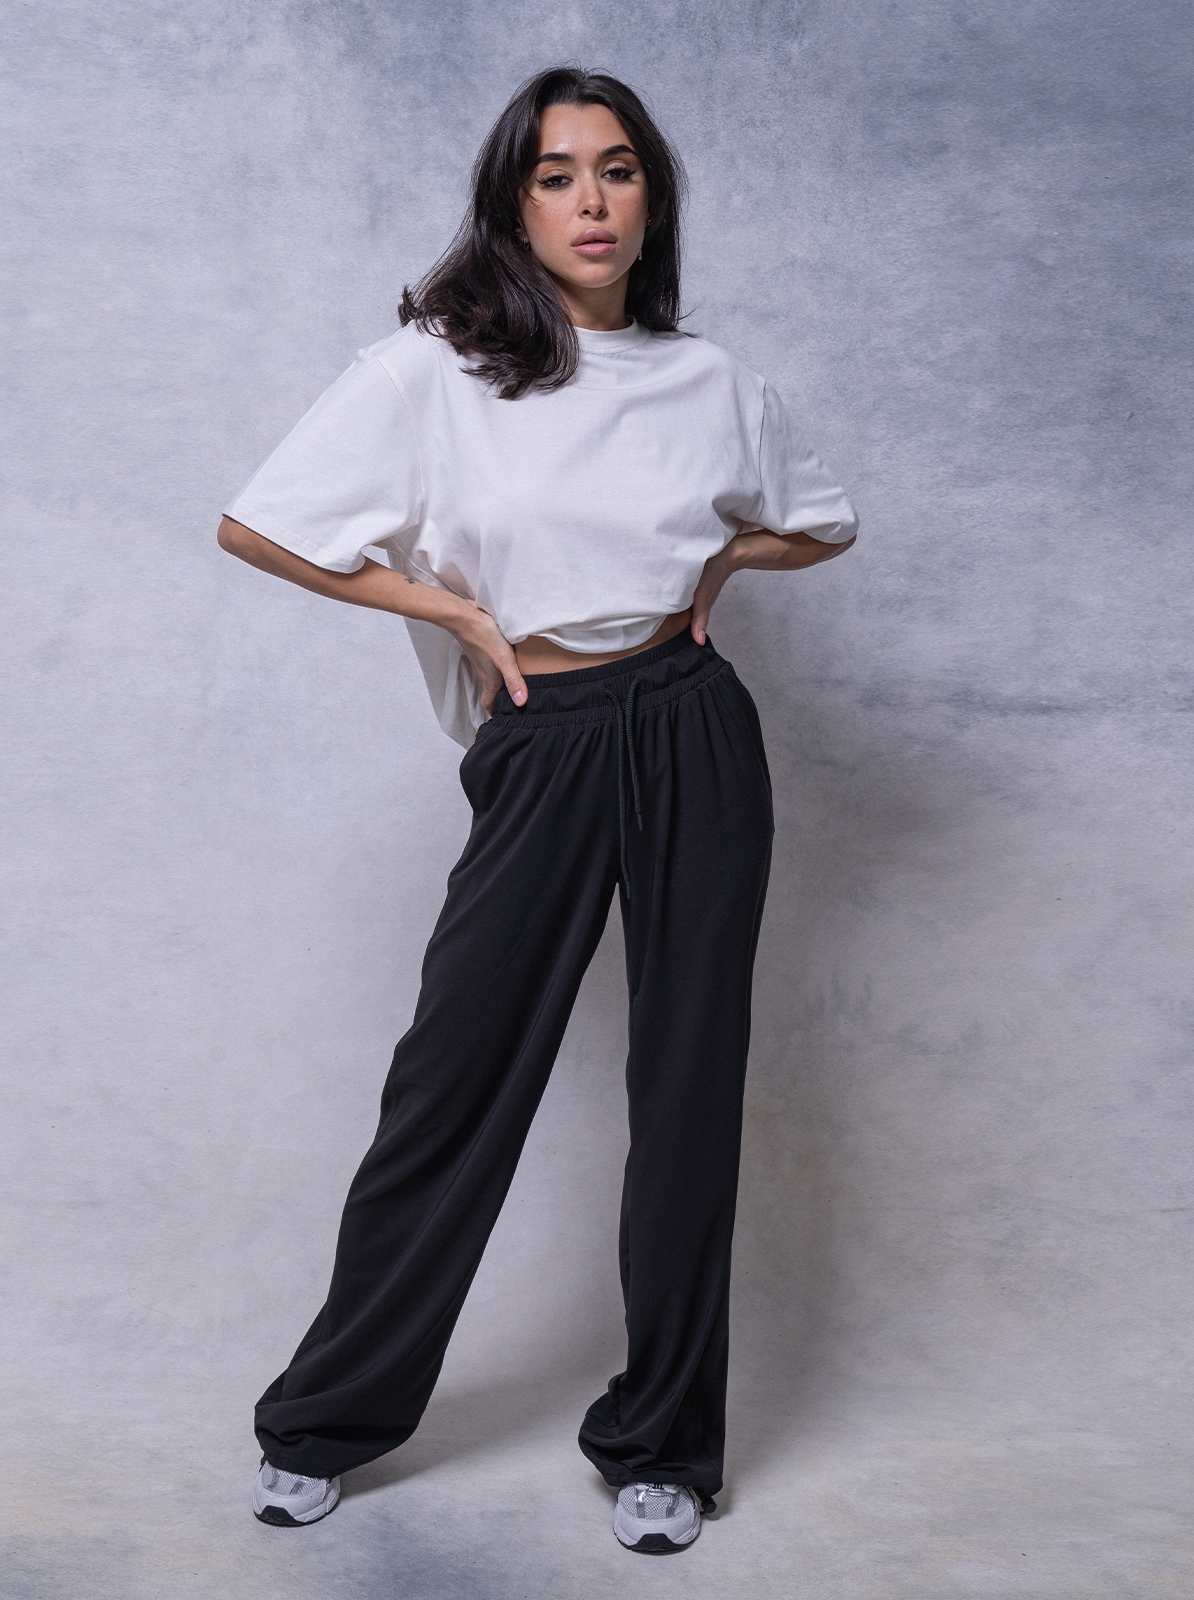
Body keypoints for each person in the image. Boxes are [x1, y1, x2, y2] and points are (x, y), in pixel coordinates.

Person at [216, 65, 857, 1555]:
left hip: (692, 726)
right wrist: (448, 608)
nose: (592, 201)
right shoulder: (433, 373)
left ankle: (664, 1447)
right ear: (514, 205)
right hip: (545, 735)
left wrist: (723, 566)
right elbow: (262, 524)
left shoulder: (712, 381)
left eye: (618, 170)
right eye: (558, 175)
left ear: (653, 197)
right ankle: (324, 1422)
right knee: (453, 1083)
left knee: (688, 1090)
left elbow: (816, 522)